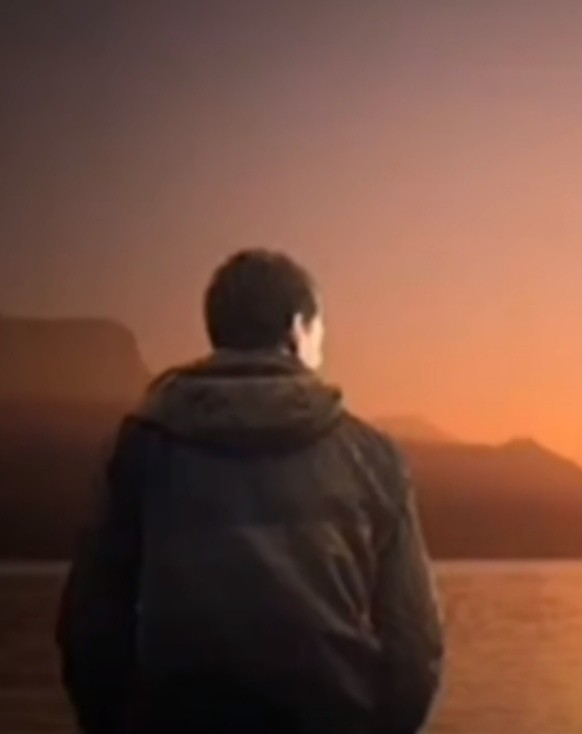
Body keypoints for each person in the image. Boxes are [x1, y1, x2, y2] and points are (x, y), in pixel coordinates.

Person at [56, 249, 445, 734]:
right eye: (320, 328)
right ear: (298, 328)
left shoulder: (141, 448)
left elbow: (90, 625)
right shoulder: (370, 456)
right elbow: (416, 642)